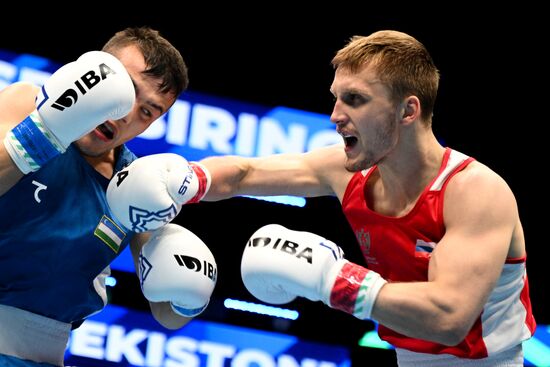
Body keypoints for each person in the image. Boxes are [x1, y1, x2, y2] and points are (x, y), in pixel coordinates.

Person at [109, 30, 536, 366]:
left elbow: (449, 319)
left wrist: (332, 280)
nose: (335, 116)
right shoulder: (348, 171)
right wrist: (189, 176)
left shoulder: (474, 191)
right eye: (336, 98)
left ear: (408, 111)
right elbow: (246, 173)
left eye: (355, 100)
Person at [0, 27, 215, 367]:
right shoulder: (27, 104)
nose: (127, 114)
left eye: (148, 111)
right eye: (126, 91)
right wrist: (47, 131)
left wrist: (189, 294)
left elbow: (167, 314)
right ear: (95, 73)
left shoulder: (137, 183)